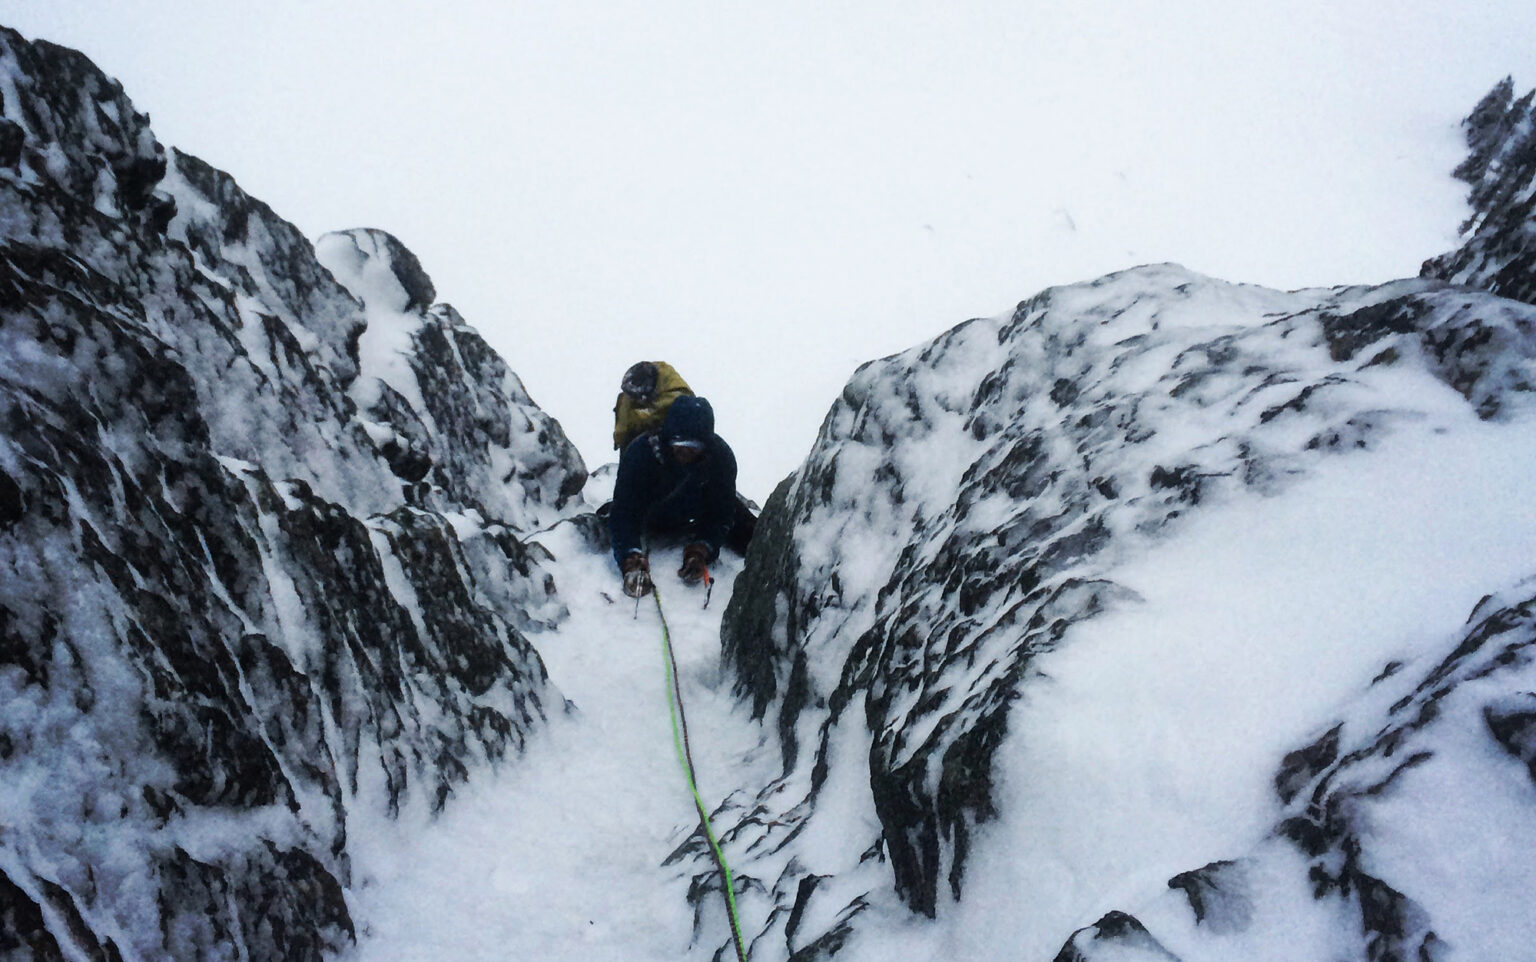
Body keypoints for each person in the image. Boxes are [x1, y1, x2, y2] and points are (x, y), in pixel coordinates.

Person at [610, 395, 751, 598]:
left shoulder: (720, 458)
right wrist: (630, 557)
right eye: (679, 442)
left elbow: (722, 512)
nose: (685, 451)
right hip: (651, 514)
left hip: (694, 510)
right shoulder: (641, 454)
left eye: (694, 446)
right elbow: (624, 511)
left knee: (750, 530)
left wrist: (702, 549)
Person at [612, 361, 693, 451]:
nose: (642, 400)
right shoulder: (627, 397)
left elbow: (663, 409)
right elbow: (621, 433)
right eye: (637, 398)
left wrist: (638, 417)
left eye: (645, 396)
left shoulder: (677, 394)